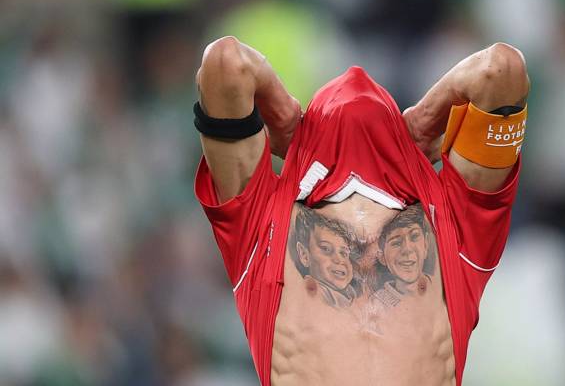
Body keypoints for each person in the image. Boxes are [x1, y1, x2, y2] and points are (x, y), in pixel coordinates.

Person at [193, 37, 529, 385]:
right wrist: (423, 121)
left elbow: (501, 71)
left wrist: (425, 120)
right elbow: (226, 65)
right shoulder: (264, 219)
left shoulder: (449, 219)